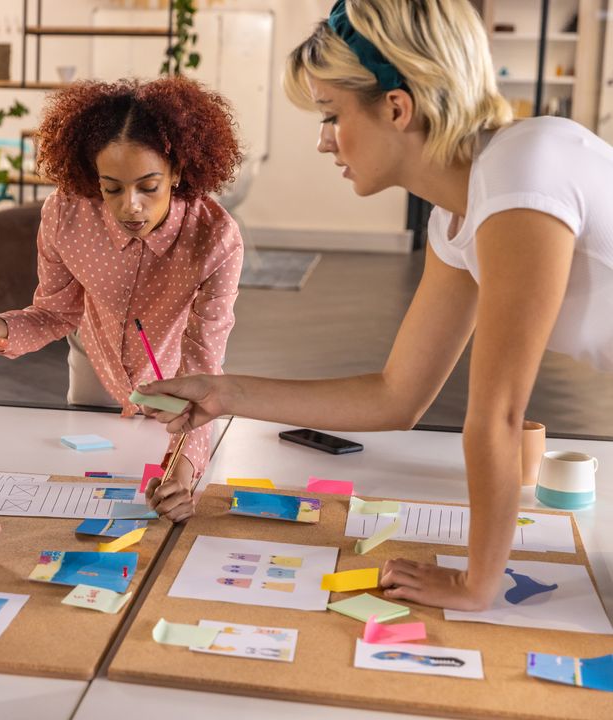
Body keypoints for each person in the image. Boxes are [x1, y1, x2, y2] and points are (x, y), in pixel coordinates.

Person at [140, 0, 613, 611]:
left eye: (331, 114)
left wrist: (477, 583)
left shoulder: (522, 171)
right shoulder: (460, 215)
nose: (322, 140)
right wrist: (224, 394)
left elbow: (497, 415)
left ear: (396, 107)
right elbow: (397, 394)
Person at [0, 77, 244, 505]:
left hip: (176, 381)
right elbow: (56, 313)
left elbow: (204, 369)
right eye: (111, 188)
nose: (131, 206)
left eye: (149, 186)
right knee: (84, 493)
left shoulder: (215, 239)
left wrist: (182, 471)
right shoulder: (66, 214)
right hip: (95, 370)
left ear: (177, 172)